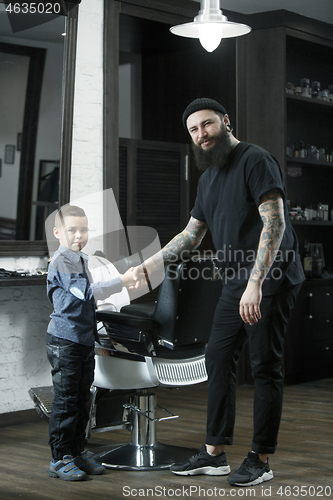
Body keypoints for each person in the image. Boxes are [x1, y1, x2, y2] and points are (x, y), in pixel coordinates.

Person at [133, 98, 305, 487]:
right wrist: (151, 264)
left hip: (271, 280)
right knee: (218, 357)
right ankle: (214, 454)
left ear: (225, 122)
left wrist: (256, 283)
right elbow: (191, 234)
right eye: (194, 130)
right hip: (235, 284)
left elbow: (273, 224)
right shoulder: (209, 177)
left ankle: (260, 459)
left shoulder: (255, 160)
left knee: (263, 366)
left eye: (207, 125)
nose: (201, 134)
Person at [46, 205, 140, 481]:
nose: (79, 235)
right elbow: (85, 292)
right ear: (57, 233)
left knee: (83, 399)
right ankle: (59, 458)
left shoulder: (79, 258)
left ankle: (76, 452)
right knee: (66, 401)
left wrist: (123, 281)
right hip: (65, 341)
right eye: (72, 230)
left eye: (84, 230)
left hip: (83, 339)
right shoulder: (62, 261)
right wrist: (122, 280)